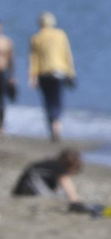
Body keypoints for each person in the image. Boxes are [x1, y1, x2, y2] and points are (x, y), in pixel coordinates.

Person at [28, 11, 76, 142]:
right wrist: (71, 72)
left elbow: (33, 59)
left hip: (43, 73)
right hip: (59, 72)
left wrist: (32, 76)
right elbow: (67, 54)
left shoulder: (36, 37)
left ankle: (52, 125)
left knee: (48, 101)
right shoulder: (60, 35)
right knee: (58, 100)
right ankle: (57, 125)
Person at [12, 149, 82, 202]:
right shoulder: (58, 167)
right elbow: (66, 181)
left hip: (25, 186)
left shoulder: (52, 166)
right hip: (28, 184)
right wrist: (74, 200)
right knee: (56, 195)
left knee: (60, 193)